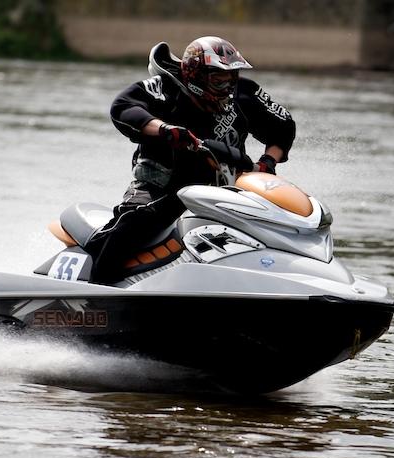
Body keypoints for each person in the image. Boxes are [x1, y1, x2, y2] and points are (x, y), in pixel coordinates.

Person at [85, 36, 296, 284]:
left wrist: (268, 162)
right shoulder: (166, 89)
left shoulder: (243, 92)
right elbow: (123, 105)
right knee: (135, 224)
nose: (228, 88)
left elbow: (283, 126)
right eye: (219, 80)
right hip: (160, 190)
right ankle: (97, 290)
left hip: (225, 192)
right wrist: (164, 129)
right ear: (196, 76)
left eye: (232, 78)